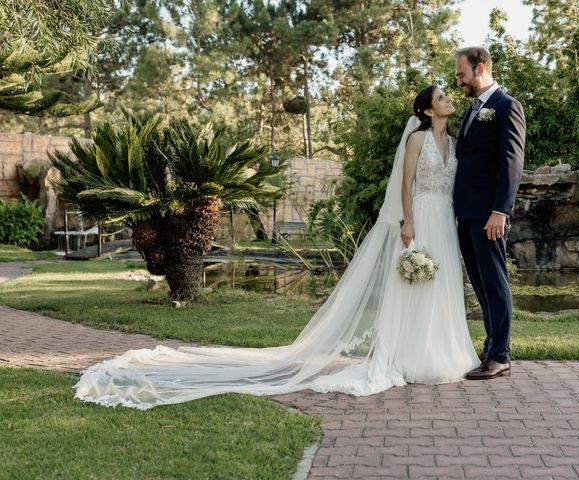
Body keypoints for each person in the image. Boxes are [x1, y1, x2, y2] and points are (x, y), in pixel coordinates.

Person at [74, 86, 479, 410]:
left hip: (445, 220)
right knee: (414, 284)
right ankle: (411, 357)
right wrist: (407, 222)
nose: (447, 100)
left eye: (446, 96)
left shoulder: (455, 143)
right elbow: (405, 186)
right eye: (441, 97)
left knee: (441, 285)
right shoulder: (417, 141)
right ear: (427, 111)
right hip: (420, 217)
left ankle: (443, 353)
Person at [453, 47, 526, 380]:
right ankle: (491, 344)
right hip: (466, 213)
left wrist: (500, 211)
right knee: (481, 285)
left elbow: (511, 163)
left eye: (461, 75)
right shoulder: (473, 109)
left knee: (496, 283)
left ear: (479, 68)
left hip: (488, 214)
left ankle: (500, 355)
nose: (458, 81)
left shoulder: (506, 106)